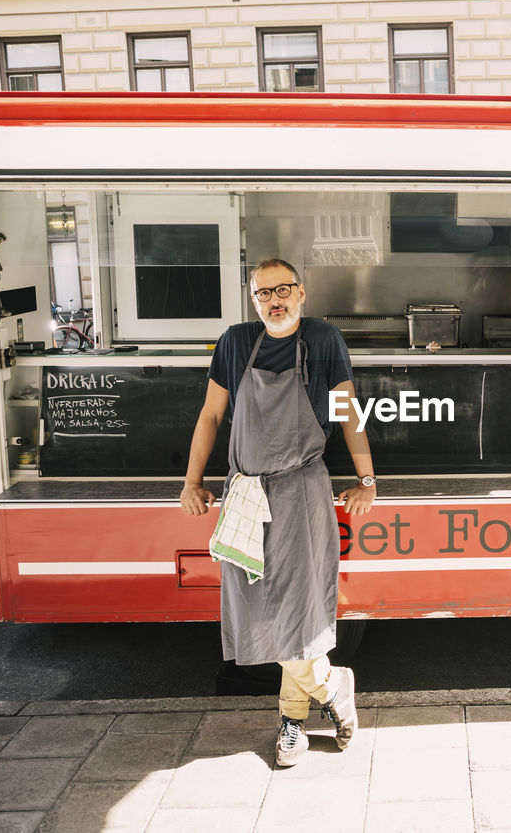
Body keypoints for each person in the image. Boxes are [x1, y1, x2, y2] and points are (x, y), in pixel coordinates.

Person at [180, 258, 377, 767]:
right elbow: (211, 414)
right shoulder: (235, 342)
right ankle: (333, 686)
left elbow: (346, 410)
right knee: (260, 611)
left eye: (283, 289)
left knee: (298, 609)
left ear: (302, 291)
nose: (274, 299)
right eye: (263, 292)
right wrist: (192, 482)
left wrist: (367, 478)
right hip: (246, 495)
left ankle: (292, 720)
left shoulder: (324, 339)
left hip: (300, 491)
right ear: (253, 300)